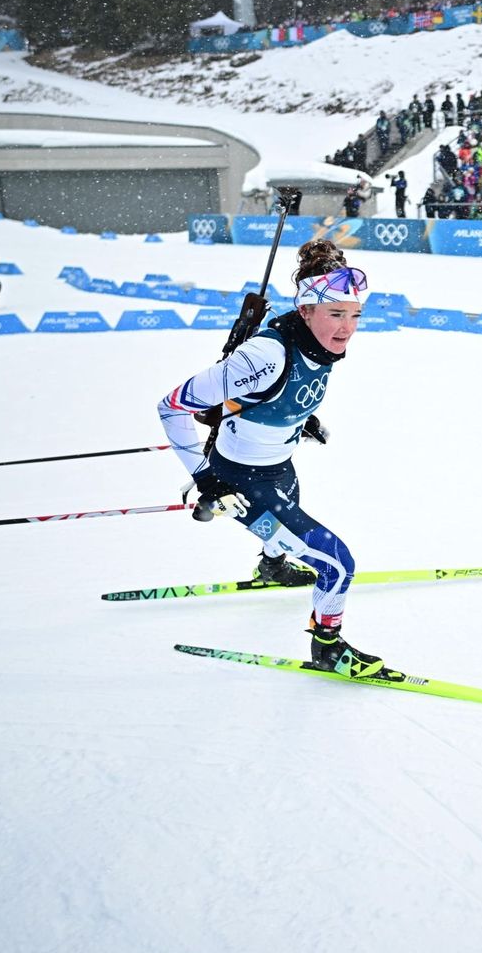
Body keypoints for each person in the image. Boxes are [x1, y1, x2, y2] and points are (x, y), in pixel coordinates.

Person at [156, 239, 380, 678]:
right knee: (337, 563)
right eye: (336, 314)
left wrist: (302, 417)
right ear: (306, 311)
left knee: (287, 522)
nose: (347, 327)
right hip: (238, 480)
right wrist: (205, 478)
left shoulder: (318, 342)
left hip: (278, 464)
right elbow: (171, 406)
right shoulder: (262, 357)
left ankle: (273, 565)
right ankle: (328, 648)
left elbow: (278, 395)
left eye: (355, 315)